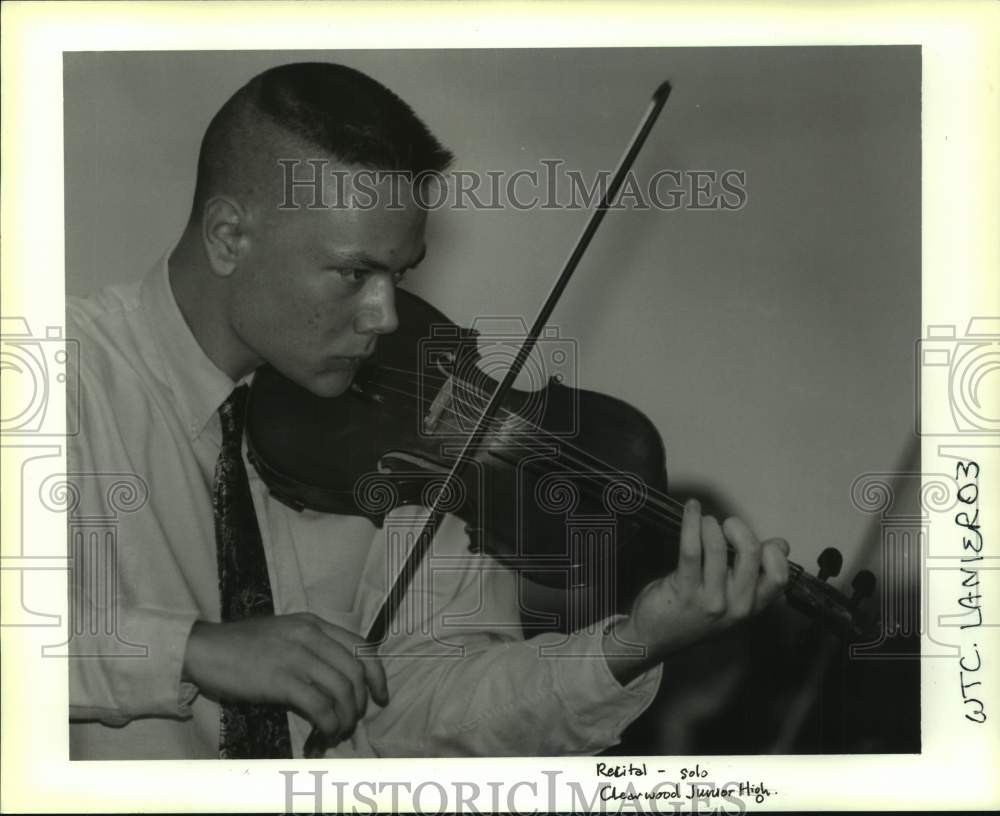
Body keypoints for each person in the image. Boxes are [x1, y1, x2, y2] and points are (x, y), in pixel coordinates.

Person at [66, 61, 789, 759]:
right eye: (355, 274)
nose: (385, 316)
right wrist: (193, 649)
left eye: (397, 275)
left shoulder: (413, 420)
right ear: (229, 237)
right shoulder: (61, 376)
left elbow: (418, 709)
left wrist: (636, 640)